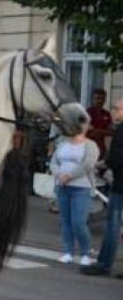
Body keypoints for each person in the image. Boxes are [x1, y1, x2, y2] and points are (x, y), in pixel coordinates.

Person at [82, 97, 123, 276]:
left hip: (121, 186)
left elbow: (115, 159)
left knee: (113, 226)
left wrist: (101, 164)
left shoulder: (121, 130)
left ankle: (103, 265)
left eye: (116, 108)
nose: (112, 111)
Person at [50, 123, 100, 265]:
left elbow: (88, 164)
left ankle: (86, 252)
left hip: (82, 188)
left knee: (78, 222)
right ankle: (68, 252)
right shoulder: (62, 144)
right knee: (65, 221)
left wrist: (69, 175)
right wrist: (58, 174)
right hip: (62, 187)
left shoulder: (91, 145)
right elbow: (54, 162)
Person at [87, 88, 112, 158]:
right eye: (98, 98)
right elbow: (87, 131)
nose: (100, 101)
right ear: (93, 99)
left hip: (101, 148)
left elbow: (110, 132)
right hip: (89, 148)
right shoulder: (87, 113)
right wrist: (103, 131)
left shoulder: (106, 114)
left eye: (103, 99)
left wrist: (97, 131)